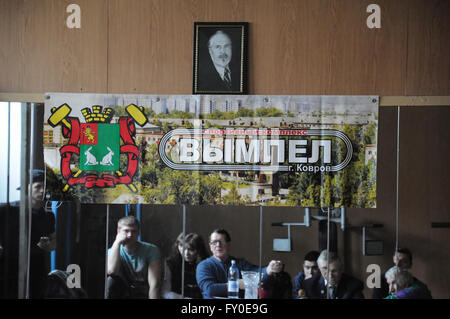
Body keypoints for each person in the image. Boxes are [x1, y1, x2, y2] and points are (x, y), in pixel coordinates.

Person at [0, 169, 56, 299]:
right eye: (38, 187)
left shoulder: (48, 216)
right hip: (8, 270)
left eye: (45, 187)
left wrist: (49, 245)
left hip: (35, 272)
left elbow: (54, 243)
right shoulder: (7, 210)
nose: (42, 191)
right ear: (26, 188)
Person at [196, 228, 284, 299]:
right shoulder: (204, 266)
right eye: (214, 242)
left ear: (228, 244)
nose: (218, 245)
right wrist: (236, 284)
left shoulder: (240, 263)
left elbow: (256, 273)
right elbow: (209, 289)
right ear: (210, 246)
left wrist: (269, 269)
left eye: (221, 241)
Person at [106, 215, 161, 299]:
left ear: (138, 233)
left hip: (144, 291)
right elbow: (111, 271)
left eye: (134, 231)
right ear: (118, 232)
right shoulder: (113, 250)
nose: (130, 235)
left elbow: (154, 285)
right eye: (126, 231)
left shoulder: (151, 250)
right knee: (111, 281)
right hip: (124, 291)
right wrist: (117, 242)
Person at [162, 232, 209, 299]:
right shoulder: (171, 263)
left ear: (198, 249)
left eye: (191, 249)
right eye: (182, 246)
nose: (186, 253)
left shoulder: (206, 263)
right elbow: (165, 292)